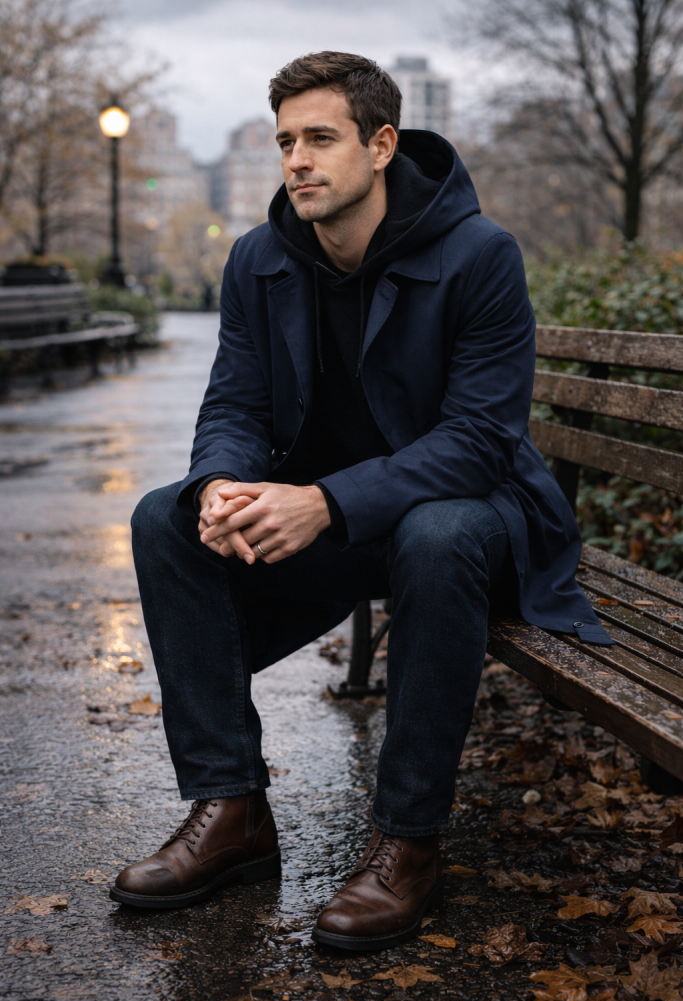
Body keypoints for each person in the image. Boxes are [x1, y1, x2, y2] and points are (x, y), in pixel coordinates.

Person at [110, 51, 611, 950]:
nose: (296, 159)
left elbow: (478, 443)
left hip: (474, 525)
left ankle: (407, 842)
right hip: (344, 525)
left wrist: (323, 503)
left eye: (319, 138)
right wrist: (221, 484)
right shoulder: (259, 260)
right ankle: (230, 810)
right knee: (165, 516)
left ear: (381, 144)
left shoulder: (479, 256)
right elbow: (233, 402)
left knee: (436, 529)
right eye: (284, 142)